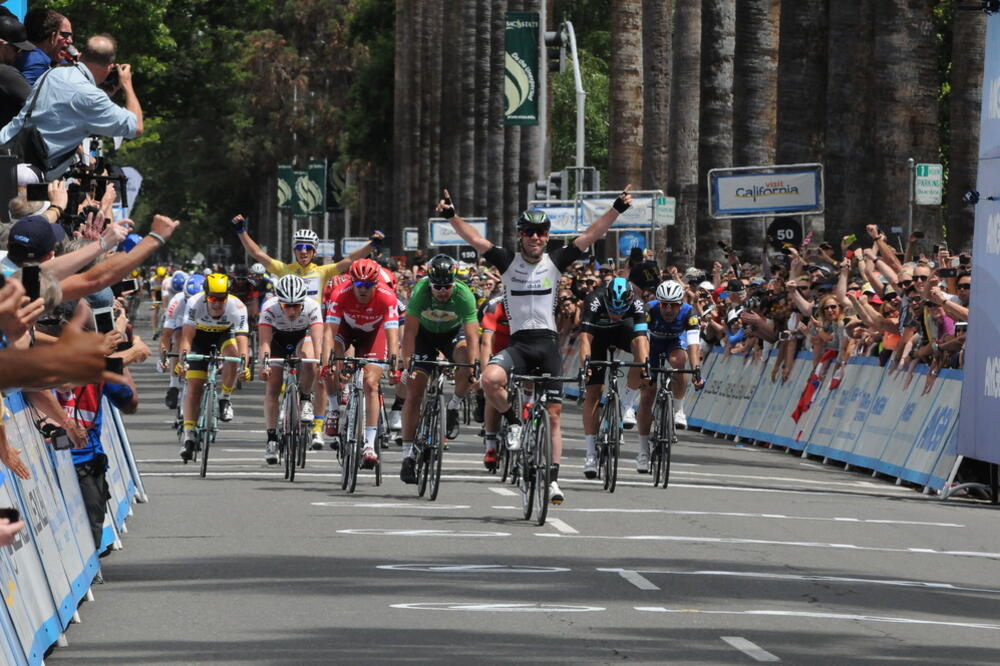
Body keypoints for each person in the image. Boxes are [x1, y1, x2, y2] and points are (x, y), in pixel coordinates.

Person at [440, 185, 633, 505]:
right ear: (520, 235)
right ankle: (514, 423)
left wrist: (617, 209)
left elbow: (590, 235)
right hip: (519, 346)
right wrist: (451, 216)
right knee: (489, 380)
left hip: (548, 346)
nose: (534, 237)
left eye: (540, 232)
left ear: (547, 236)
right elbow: (475, 239)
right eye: (528, 232)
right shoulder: (506, 261)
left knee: (554, 416)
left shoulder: (556, 262)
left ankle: (553, 480)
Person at [232, 216, 382, 449]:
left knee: (317, 371)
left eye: (308, 248)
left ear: (314, 252)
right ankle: (286, 417)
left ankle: (317, 428)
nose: (303, 252)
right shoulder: (284, 269)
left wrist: (371, 245)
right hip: (283, 325)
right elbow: (258, 255)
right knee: (277, 378)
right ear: (294, 250)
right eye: (299, 248)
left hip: (311, 325)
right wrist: (242, 231)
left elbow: (350, 260)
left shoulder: (322, 271)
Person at [1, 34, 142, 179]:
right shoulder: (91, 97)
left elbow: (57, 119)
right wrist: (127, 84)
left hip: (6, 148)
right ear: (109, 67)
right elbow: (136, 126)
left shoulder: (54, 72)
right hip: (23, 175)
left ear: (81, 55)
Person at [398, 254, 479, 483]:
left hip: (452, 335)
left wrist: (472, 368)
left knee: (466, 359)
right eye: (438, 287)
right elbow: (410, 333)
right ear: (430, 283)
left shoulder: (464, 295)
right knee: (414, 393)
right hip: (424, 336)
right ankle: (407, 457)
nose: (443, 291)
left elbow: (473, 337)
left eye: (448, 287)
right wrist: (407, 363)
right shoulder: (420, 292)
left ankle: (453, 406)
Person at [321, 259, 399, 467]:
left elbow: (393, 336)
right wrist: (326, 363)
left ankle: (370, 445)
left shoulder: (387, 297)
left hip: (374, 334)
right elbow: (329, 332)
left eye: (368, 286)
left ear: (376, 284)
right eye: (358, 285)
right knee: (330, 359)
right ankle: (334, 408)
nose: (363, 290)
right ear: (351, 282)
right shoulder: (340, 293)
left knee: (371, 383)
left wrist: (394, 364)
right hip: (345, 330)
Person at [577, 276, 650, 476]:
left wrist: (644, 366)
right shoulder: (593, 300)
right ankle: (591, 453)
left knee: (641, 351)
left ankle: (626, 405)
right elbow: (585, 339)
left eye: (620, 311)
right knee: (593, 393)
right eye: (612, 310)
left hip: (622, 333)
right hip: (598, 336)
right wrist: (586, 366)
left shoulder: (637, 303)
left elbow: (642, 339)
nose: (616, 314)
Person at [174, 273, 250, 462]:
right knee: (194, 387)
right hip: (199, 338)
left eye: (222, 299)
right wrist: (182, 362)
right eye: (212, 298)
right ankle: (189, 435)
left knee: (233, 356)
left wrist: (245, 366)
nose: (217, 303)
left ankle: (225, 398)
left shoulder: (237, 307)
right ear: (206, 294)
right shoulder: (194, 303)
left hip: (224, 335)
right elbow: (186, 339)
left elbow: (242, 343)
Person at [258, 275, 323, 464]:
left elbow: (318, 343)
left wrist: (320, 363)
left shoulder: (312, 306)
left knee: (310, 358)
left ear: (303, 302)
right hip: (277, 341)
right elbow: (264, 343)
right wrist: (264, 365)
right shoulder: (269, 308)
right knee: (273, 387)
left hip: (302, 338)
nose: (293, 311)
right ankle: (271, 439)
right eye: (287, 306)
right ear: (279, 302)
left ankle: (304, 399)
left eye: (296, 305)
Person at [644, 280, 704, 429]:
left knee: (679, 361)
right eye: (664, 305)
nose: (669, 310)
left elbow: (693, 346)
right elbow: (642, 340)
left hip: (675, 341)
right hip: (653, 343)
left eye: (674, 305)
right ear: (658, 303)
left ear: (681, 304)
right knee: (649, 385)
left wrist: (696, 371)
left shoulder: (689, 312)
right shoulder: (649, 310)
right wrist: (645, 364)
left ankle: (678, 409)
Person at [159, 273, 205, 409]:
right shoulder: (177, 301)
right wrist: (164, 357)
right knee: (178, 336)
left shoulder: (211, 302)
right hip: (182, 321)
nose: (192, 303)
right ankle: (174, 385)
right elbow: (166, 335)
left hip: (204, 323)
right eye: (188, 299)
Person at [16, 8, 71, 85]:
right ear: (53, 36)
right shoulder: (38, 62)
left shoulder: (18, 51)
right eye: (64, 35)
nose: (70, 40)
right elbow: (27, 95)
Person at [0, 14, 33, 127]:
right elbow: (36, 105)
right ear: (1, 44)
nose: (20, 54)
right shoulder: (5, 73)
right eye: (16, 49)